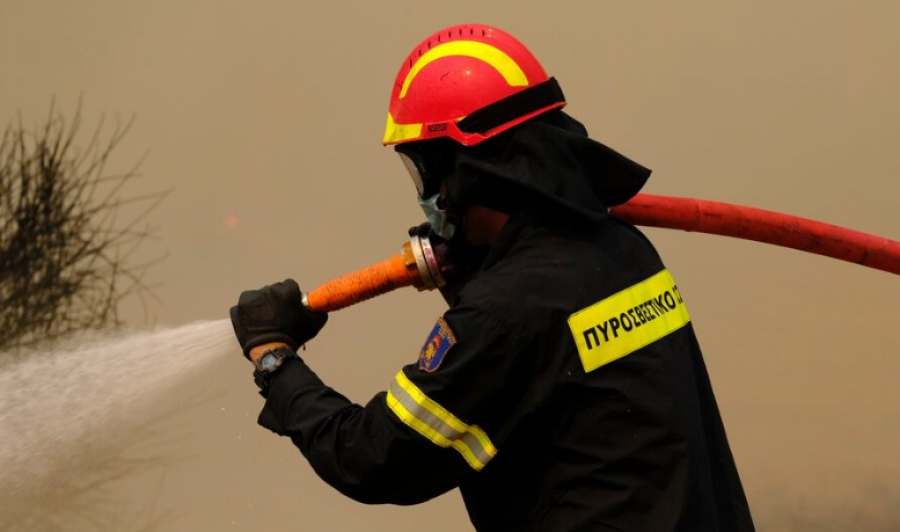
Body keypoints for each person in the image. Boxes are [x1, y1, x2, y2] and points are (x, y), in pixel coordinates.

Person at [230, 24, 755, 531]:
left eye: (424, 167)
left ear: (464, 169)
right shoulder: (623, 250)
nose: (426, 190)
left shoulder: (503, 315)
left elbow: (374, 457)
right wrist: (477, 262)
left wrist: (275, 361)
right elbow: (549, 356)